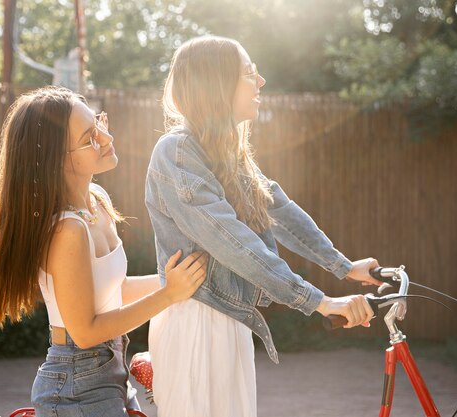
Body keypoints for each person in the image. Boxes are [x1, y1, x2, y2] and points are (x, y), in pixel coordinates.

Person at [144, 36, 384, 417]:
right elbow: (232, 242)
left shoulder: (226, 152)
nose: (261, 81)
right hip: (197, 322)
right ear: (218, 84)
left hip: (231, 318)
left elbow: (277, 209)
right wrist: (320, 301)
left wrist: (344, 267)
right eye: (249, 73)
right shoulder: (177, 152)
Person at [0, 86, 208, 417]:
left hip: (110, 369)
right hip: (76, 383)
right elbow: (86, 332)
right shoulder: (66, 230)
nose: (106, 137)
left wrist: (177, 280)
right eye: (90, 137)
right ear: (56, 158)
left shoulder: (97, 199)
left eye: (99, 123)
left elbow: (115, 291)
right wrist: (169, 294)